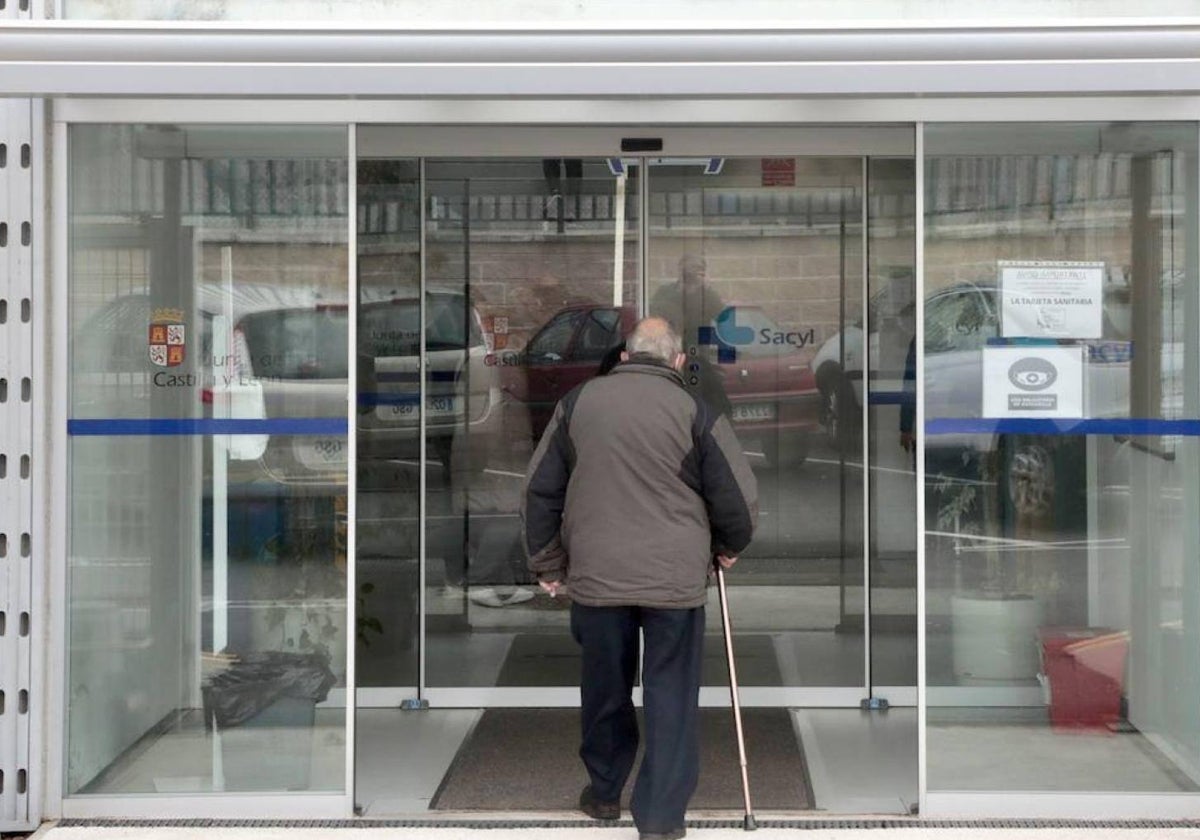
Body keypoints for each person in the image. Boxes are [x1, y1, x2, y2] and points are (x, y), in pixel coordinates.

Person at [522, 317, 758, 840]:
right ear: (677, 362)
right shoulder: (695, 409)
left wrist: (548, 563)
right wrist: (729, 546)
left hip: (598, 578)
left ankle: (605, 793)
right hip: (673, 582)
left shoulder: (578, 403)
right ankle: (659, 819)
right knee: (670, 693)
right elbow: (736, 497)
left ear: (626, 357)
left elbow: (540, 490)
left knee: (605, 687)